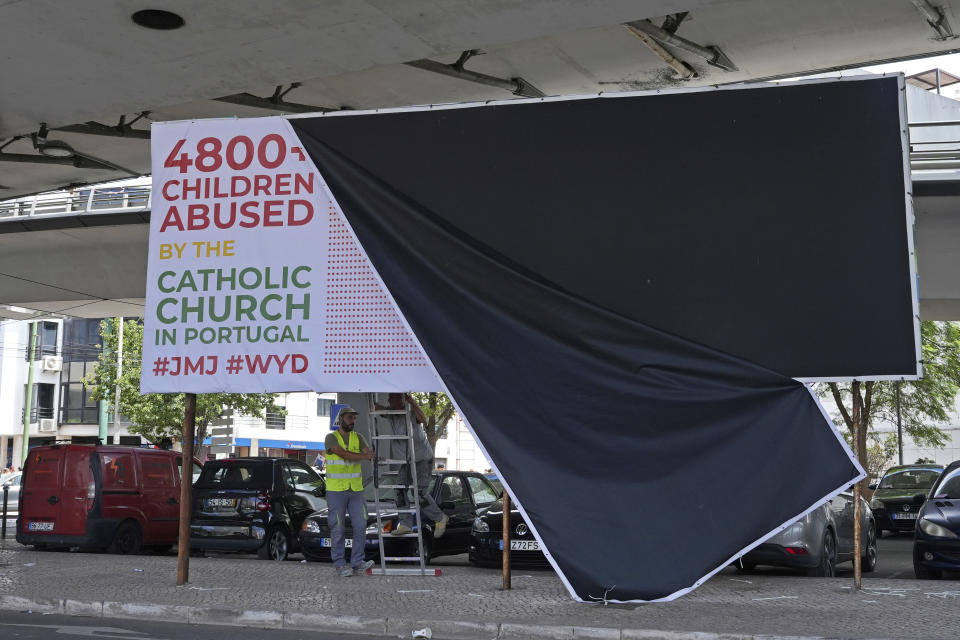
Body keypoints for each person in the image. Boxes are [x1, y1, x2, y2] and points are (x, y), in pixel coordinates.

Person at [377, 393, 449, 538]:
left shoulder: (410, 413)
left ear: (402, 400)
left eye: (393, 398)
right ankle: (405, 524)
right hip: (406, 460)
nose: (390, 401)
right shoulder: (392, 413)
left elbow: (423, 418)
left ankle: (440, 518)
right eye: (390, 399)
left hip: (421, 457)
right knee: (399, 489)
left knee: (419, 492)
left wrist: (412, 400)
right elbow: (377, 408)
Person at [324, 406, 376, 577]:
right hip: (336, 490)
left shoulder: (358, 437)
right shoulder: (331, 438)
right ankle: (339, 564)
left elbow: (369, 453)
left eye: (354, 418)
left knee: (361, 525)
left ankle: (357, 562)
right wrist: (361, 456)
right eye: (349, 418)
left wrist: (362, 454)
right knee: (337, 527)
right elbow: (344, 455)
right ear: (340, 419)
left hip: (356, 490)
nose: (352, 421)